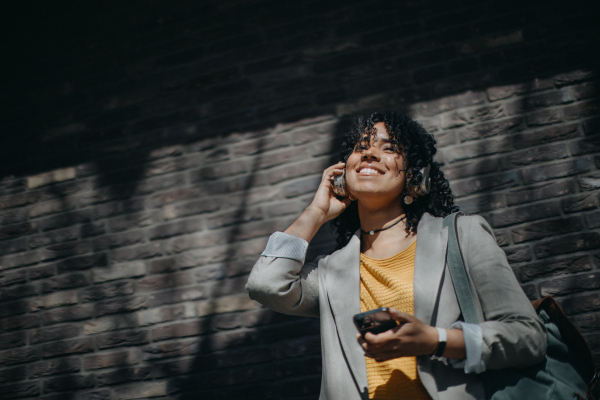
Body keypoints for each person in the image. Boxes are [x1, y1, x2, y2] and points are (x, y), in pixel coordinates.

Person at [246, 111, 546, 400]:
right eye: (360, 147)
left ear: (415, 176)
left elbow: (528, 336)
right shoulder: (330, 272)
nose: (369, 154)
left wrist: (436, 340)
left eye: (389, 148)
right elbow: (266, 285)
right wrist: (315, 213)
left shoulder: (462, 235)